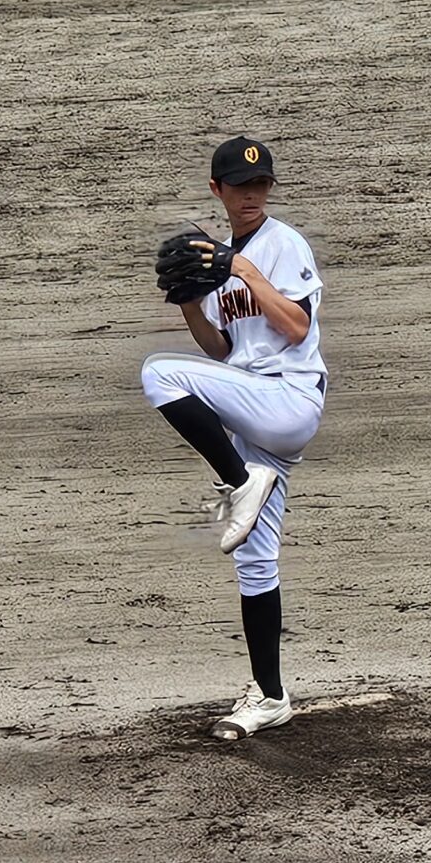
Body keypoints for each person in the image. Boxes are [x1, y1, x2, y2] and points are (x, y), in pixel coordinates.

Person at [138, 135, 327, 739]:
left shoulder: (283, 243)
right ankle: (270, 696)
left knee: (158, 373)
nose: (252, 195)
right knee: (254, 558)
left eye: (261, 185)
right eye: (241, 187)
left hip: (288, 399)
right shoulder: (216, 259)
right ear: (217, 190)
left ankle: (240, 480)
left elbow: (295, 328)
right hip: (253, 408)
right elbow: (222, 351)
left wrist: (241, 268)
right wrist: (191, 303)